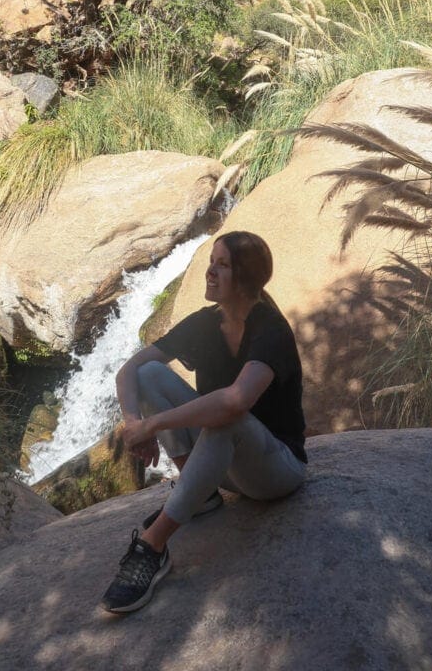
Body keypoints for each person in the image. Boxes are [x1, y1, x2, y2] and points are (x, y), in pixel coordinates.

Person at [101, 230, 307, 614]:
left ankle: (153, 547)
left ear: (246, 278)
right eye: (211, 263)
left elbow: (236, 401)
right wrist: (133, 425)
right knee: (149, 375)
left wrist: (154, 425)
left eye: (222, 265)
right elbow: (129, 370)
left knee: (227, 416)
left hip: (275, 470)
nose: (209, 273)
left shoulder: (271, 330)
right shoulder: (206, 323)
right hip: (221, 467)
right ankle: (202, 496)